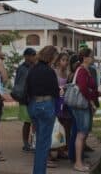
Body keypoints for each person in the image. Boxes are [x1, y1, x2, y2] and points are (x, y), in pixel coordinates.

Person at [26, 45, 59, 174]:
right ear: (51, 57)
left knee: (39, 141)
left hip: (33, 106)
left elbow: (27, 89)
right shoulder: (49, 71)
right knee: (43, 144)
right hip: (46, 105)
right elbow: (55, 91)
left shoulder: (32, 69)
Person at [71, 47, 99, 172]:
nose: (93, 58)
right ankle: (78, 163)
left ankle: (79, 161)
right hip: (82, 105)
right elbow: (83, 89)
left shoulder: (86, 70)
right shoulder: (82, 70)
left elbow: (89, 88)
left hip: (84, 105)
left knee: (83, 133)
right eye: (92, 56)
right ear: (86, 58)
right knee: (81, 134)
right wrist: (91, 102)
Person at [51, 52, 72, 163]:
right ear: (59, 60)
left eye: (67, 60)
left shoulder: (68, 73)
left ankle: (63, 149)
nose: (65, 62)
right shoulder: (54, 72)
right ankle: (56, 148)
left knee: (66, 126)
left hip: (66, 102)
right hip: (57, 101)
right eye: (63, 60)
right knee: (57, 125)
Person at [15, 48, 37, 152]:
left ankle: (34, 142)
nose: (34, 57)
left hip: (34, 98)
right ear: (26, 56)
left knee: (35, 122)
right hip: (24, 99)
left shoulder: (36, 67)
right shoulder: (22, 68)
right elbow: (18, 85)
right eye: (33, 55)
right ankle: (25, 143)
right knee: (27, 122)